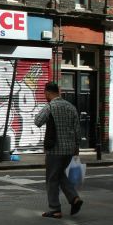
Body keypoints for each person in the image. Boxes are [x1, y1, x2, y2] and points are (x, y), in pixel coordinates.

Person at [34, 82, 83, 218]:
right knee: (60, 175)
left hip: (54, 150)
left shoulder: (50, 107)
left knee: (52, 179)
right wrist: (77, 147)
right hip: (69, 150)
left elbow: (37, 121)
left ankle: (55, 208)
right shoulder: (71, 107)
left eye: (45, 93)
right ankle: (74, 199)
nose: (45, 96)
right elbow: (77, 130)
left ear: (49, 92)